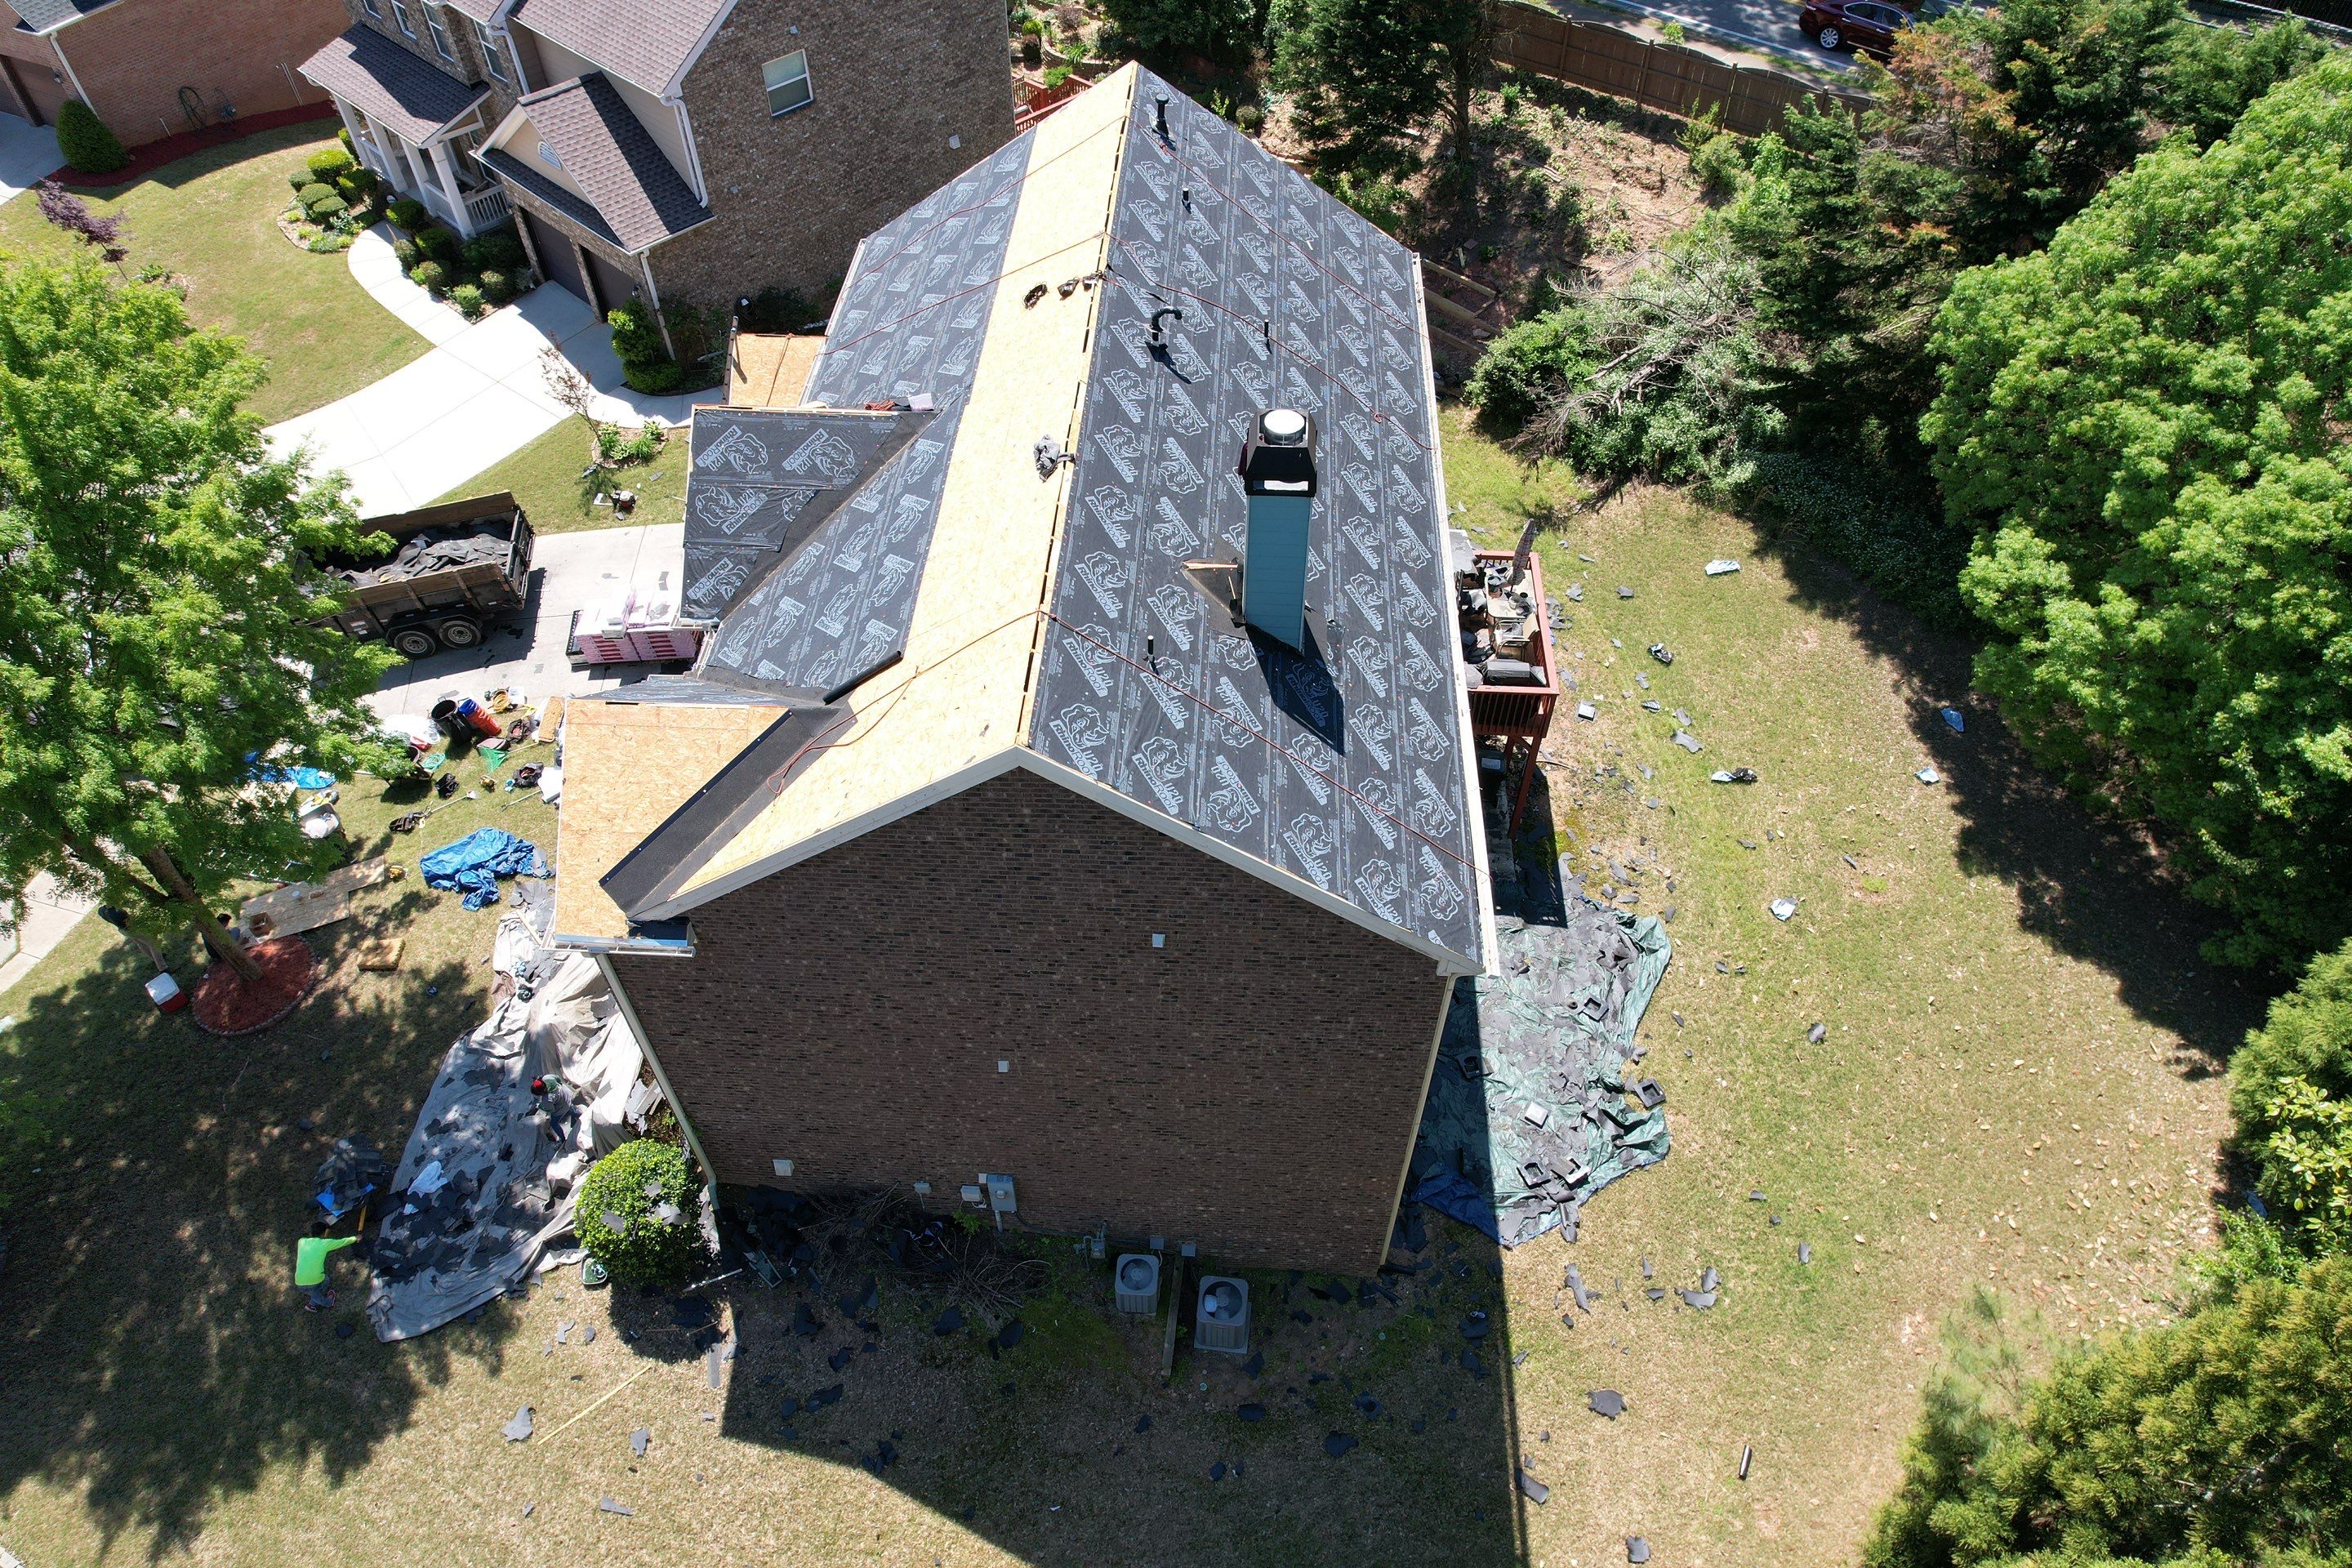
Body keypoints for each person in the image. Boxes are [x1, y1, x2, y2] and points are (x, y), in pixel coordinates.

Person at [294, 1226, 358, 1312]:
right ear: (323, 1234)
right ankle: (328, 1303)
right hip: (315, 1281)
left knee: (315, 1289)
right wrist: (355, 1238)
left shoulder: (301, 1241)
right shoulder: (324, 1244)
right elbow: (342, 1242)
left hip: (299, 1281)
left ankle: (313, 1302)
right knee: (324, 1282)